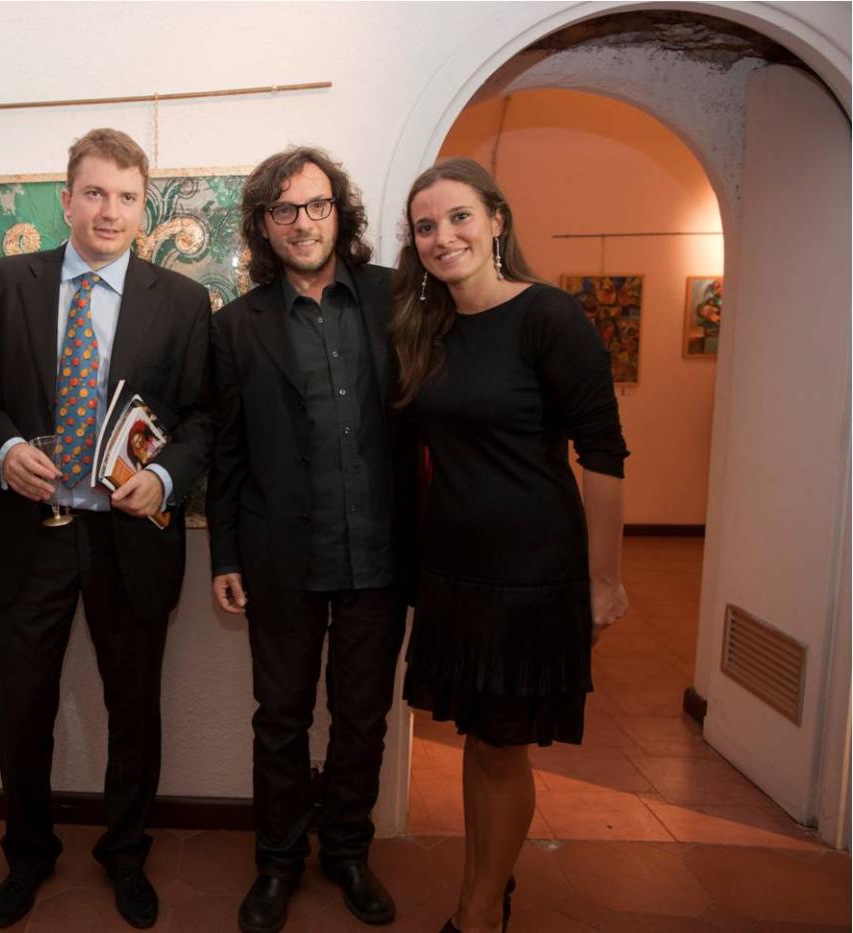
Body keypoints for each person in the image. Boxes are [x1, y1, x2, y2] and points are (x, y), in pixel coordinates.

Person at [0, 127, 213, 930]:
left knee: (133, 707)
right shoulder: (3, 284)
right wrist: (4, 451)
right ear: (66, 199)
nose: (110, 210)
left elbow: (205, 417)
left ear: (143, 207)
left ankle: (126, 854)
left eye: (127, 197)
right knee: (21, 707)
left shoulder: (182, 301)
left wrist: (164, 476)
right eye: (95, 192)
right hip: (31, 531)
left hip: (128, 538)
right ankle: (27, 854)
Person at [393, 157, 628, 933]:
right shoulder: (429, 329)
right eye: (426, 226)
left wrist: (604, 580)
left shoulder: (547, 316)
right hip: (455, 573)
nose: (443, 236)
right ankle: (485, 887)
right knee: (481, 740)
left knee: (502, 745)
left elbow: (603, 452)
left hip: (531, 575)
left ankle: (479, 910)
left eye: (459, 216)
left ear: (497, 220)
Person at [206, 146, 418, 933]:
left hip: (379, 558)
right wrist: (225, 555)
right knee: (281, 719)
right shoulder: (236, 326)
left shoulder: (395, 298)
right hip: (280, 561)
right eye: (285, 209)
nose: (303, 222)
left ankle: (349, 851)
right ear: (264, 225)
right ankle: (278, 861)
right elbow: (226, 452)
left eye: (317, 204)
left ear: (341, 211)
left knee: (363, 718)